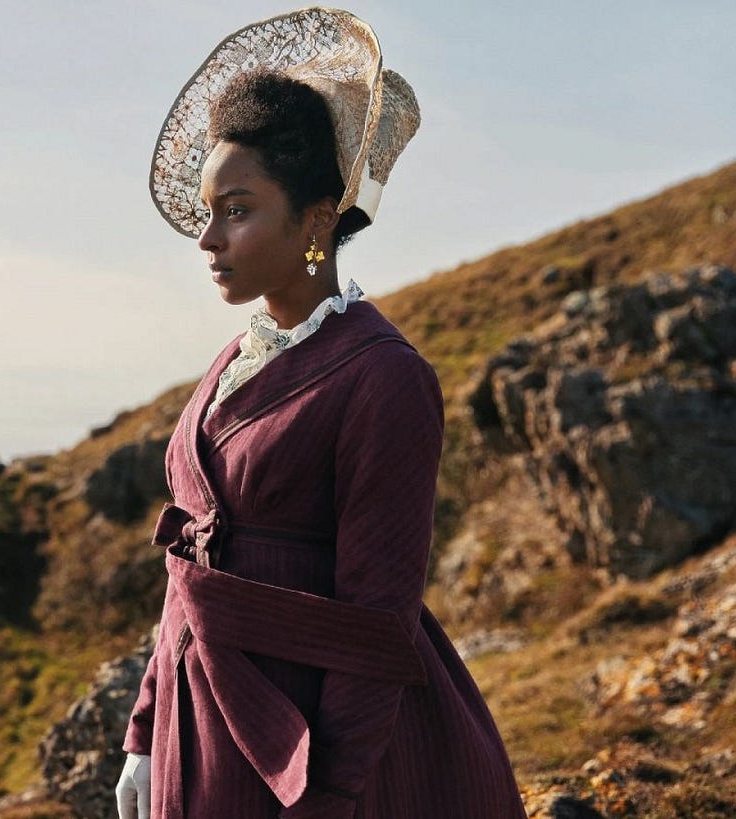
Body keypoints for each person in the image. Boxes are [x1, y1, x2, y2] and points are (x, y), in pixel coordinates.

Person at [113, 8, 526, 819]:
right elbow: (187, 574)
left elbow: (379, 620)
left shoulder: (385, 378)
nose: (207, 238)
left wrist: (333, 794)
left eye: (237, 209)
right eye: (207, 210)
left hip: (307, 738)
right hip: (200, 714)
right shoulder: (232, 363)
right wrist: (143, 731)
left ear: (315, 221)